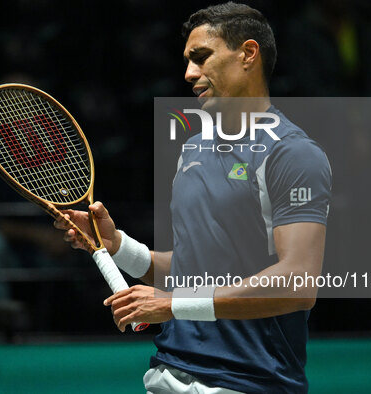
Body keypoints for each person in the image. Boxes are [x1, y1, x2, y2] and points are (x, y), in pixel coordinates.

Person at [55, 3, 331, 393]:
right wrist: (118, 246)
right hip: (169, 372)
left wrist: (172, 304)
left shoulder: (292, 153)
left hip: (245, 382)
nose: (189, 74)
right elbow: (193, 269)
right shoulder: (194, 149)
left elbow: (298, 283)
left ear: (248, 54)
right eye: (187, 61)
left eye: (201, 58)